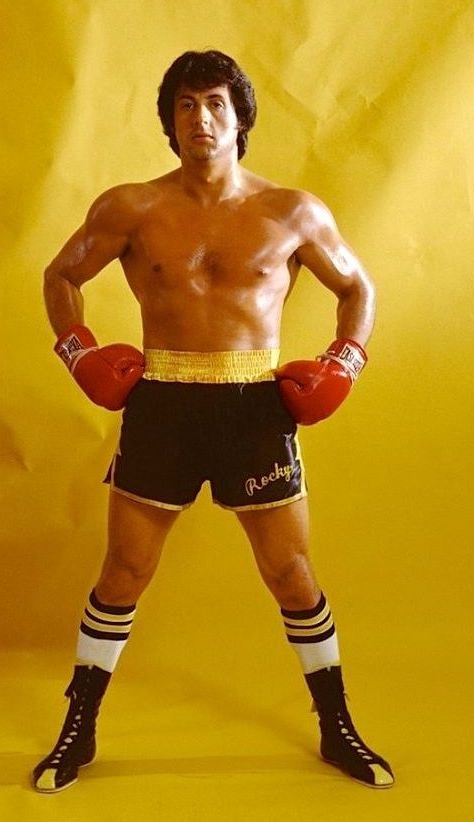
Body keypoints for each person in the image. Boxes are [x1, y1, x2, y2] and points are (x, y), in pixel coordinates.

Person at [34, 50, 394, 793]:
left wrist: (345, 363)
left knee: (292, 574)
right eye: (187, 105)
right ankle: (79, 730)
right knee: (124, 572)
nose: (202, 118)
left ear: (240, 118)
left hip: (253, 407)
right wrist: (78, 353)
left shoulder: (292, 210)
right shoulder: (128, 207)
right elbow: (61, 274)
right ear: (170, 122)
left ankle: (337, 727)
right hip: (162, 401)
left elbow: (357, 286)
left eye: (216, 104)